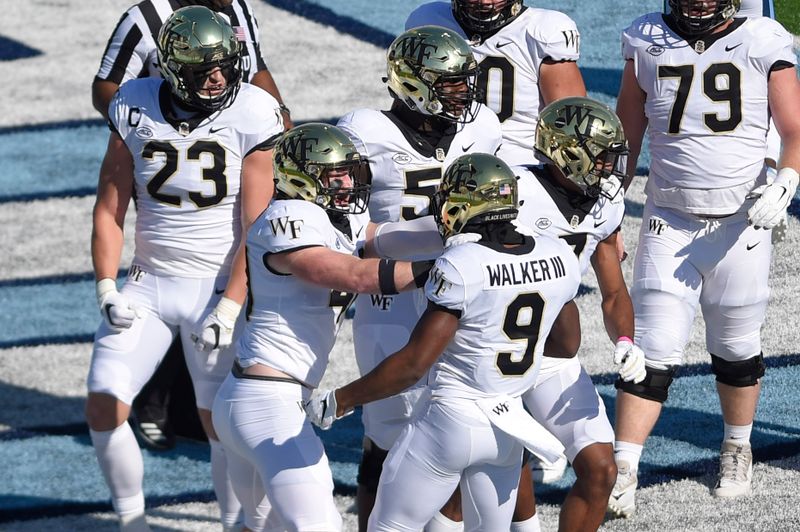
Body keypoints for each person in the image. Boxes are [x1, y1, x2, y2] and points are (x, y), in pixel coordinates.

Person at [304, 153, 582, 530]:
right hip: (507, 427)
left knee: (389, 528)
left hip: (450, 422)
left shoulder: (461, 263)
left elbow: (414, 365)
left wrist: (341, 400)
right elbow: (566, 344)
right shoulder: (558, 254)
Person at [85, 7, 283, 531]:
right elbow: (110, 205)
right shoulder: (133, 105)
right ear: (172, 70)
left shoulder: (253, 110)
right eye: (204, 70)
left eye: (223, 65)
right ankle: (132, 520)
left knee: (221, 426)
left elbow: (257, 226)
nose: (219, 78)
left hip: (219, 287)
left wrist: (232, 303)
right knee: (104, 402)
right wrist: (107, 283)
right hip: (148, 283)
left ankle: (235, 526)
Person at [608, 0, 800, 519]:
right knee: (652, 345)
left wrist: (785, 180)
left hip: (742, 218)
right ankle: (623, 466)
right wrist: (607, 211)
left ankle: (738, 447)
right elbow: (628, 134)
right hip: (670, 214)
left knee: (736, 344)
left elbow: (794, 128)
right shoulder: (647, 37)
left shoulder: (762, 37)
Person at [211, 122, 436, 531]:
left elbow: (388, 237)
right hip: (267, 403)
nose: (348, 182)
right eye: (336, 176)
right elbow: (353, 275)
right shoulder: (285, 217)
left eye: (349, 172)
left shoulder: (331, 218)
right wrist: (444, 270)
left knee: (260, 527)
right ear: (301, 180)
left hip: (258, 395)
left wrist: (460, 228)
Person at [405, 0, 593, 488]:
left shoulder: (543, 30)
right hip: (454, 179)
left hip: (522, 195)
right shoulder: (429, 18)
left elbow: (570, 121)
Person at [335, 25, 503, 531]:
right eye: (449, 83)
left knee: (457, 423)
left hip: (464, 296)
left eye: (464, 81)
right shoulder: (365, 131)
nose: (463, 93)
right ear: (412, 84)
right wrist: (428, 232)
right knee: (387, 440)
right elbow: (349, 227)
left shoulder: (483, 128)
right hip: (393, 302)